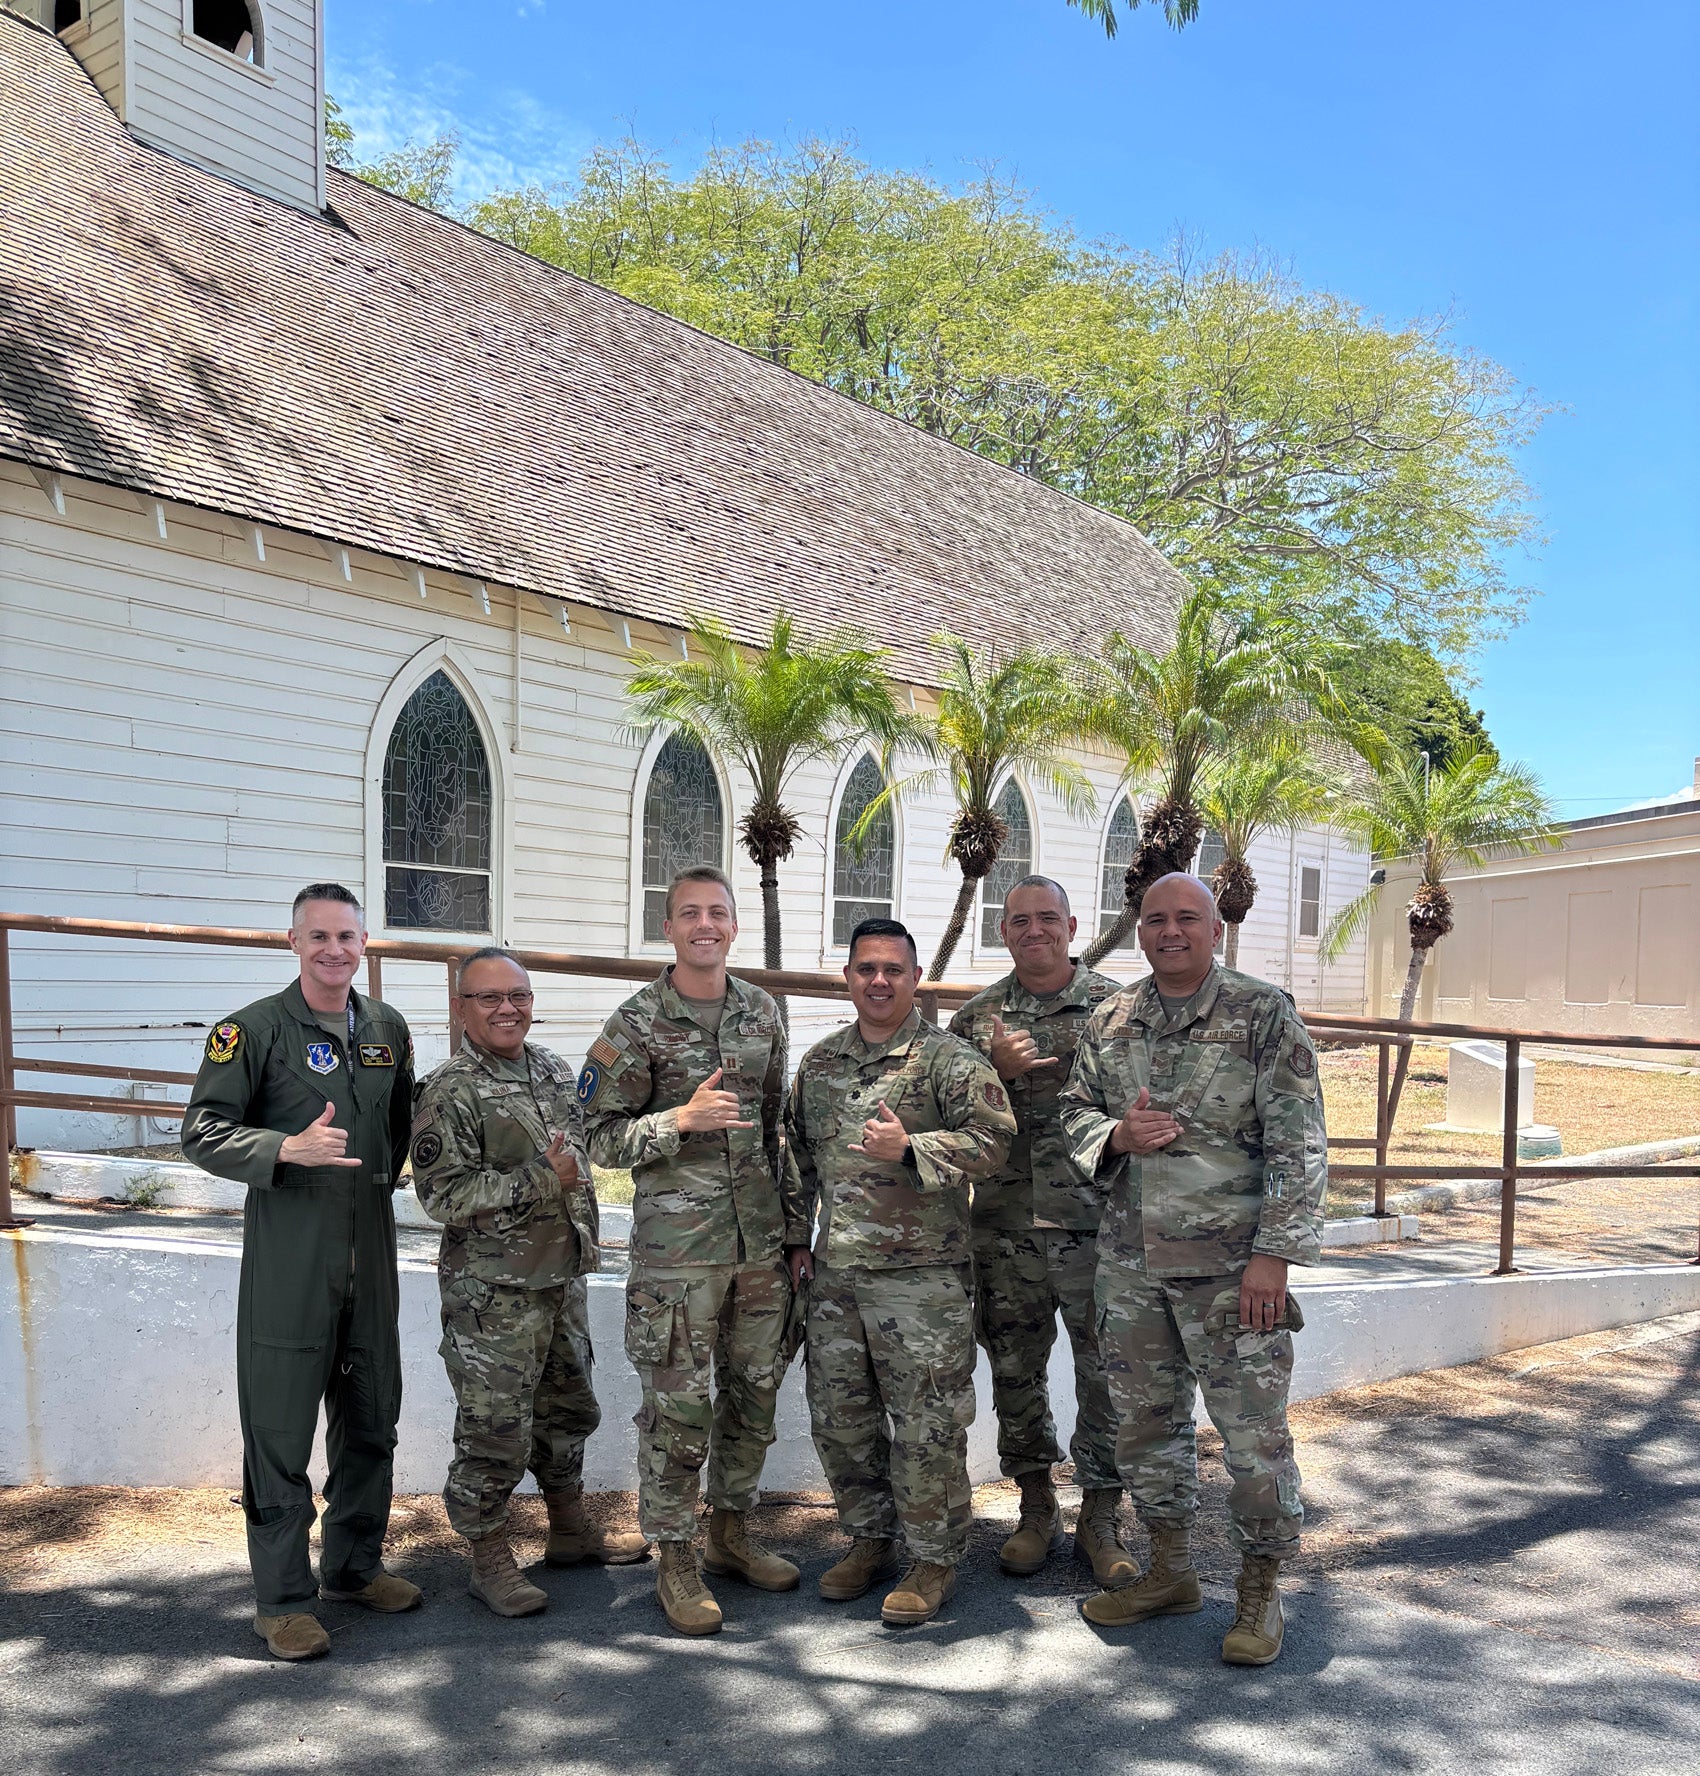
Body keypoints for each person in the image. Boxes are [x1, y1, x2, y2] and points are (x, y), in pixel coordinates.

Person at [1059, 871, 1327, 1666]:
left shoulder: (1260, 1013)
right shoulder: (1111, 1019)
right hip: (1132, 1268)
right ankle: (1170, 1568)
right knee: (1146, 1430)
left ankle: (1258, 1589)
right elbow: (1073, 1112)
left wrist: (1274, 1257)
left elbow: (1300, 1143)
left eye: (1186, 918)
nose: (1169, 931)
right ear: (1138, 932)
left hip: (1233, 1274)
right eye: (1154, 920)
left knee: (1253, 1440)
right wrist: (1115, 1137)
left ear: (1215, 930)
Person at [181, 884, 418, 1662]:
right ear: (292, 942)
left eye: (347, 936)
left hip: (372, 1252)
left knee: (372, 1414)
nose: (334, 950)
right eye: (318, 936)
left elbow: (394, 1131)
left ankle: (353, 1566)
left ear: (364, 943)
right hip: (291, 1255)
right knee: (280, 1431)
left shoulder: (386, 1027)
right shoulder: (248, 1031)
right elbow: (203, 1132)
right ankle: (282, 1600)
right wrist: (283, 1149)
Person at [580, 866, 796, 1636]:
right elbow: (596, 1136)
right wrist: (680, 1120)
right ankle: (675, 1556)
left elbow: (779, 1132)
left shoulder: (763, 1012)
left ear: (734, 925)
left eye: (719, 913)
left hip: (759, 1251)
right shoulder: (635, 1022)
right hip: (678, 1257)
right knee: (677, 1410)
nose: (706, 924)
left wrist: (794, 1235)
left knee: (753, 1397)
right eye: (689, 914)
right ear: (666, 927)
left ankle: (732, 1532)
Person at [783, 917, 1016, 1626]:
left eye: (893, 969)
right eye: (865, 968)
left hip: (922, 1282)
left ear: (915, 979)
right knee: (842, 1420)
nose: (878, 980)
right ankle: (868, 1539)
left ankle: (933, 1557)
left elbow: (995, 1142)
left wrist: (911, 1146)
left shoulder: (949, 1061)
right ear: (847, 977)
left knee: (926, 1426)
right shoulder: (820, 1065)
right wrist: (797, 1239)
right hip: (837, 1279)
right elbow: (795, 1156)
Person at [410, 947, 650, 1619]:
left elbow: (581, 1151)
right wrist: (542, 1180)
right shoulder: (450, 1088)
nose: (507, 1008)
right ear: (462, 1009)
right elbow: (442, 1194)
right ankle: (488, 1559)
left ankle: (568, 1528)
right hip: (492, 1294)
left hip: (559, 1278)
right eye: (489, 998)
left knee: (566, 1409)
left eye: (517, 995)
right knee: (493, 1430)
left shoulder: (548, 1068)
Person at [947, 877, 1132, 1584]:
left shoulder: (1120, 1009)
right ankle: (1034, 1506)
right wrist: (992, 1074)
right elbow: (952, 1125)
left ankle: (1102, 1515)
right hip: (1005, 1231)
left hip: (1097, 1228)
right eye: (1020, 921)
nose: (1035, 931)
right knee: (1015, 1373)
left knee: (1105, 1376)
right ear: (1003, 932)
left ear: (1072, 925)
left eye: (1047, 918)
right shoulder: (975, 1021)